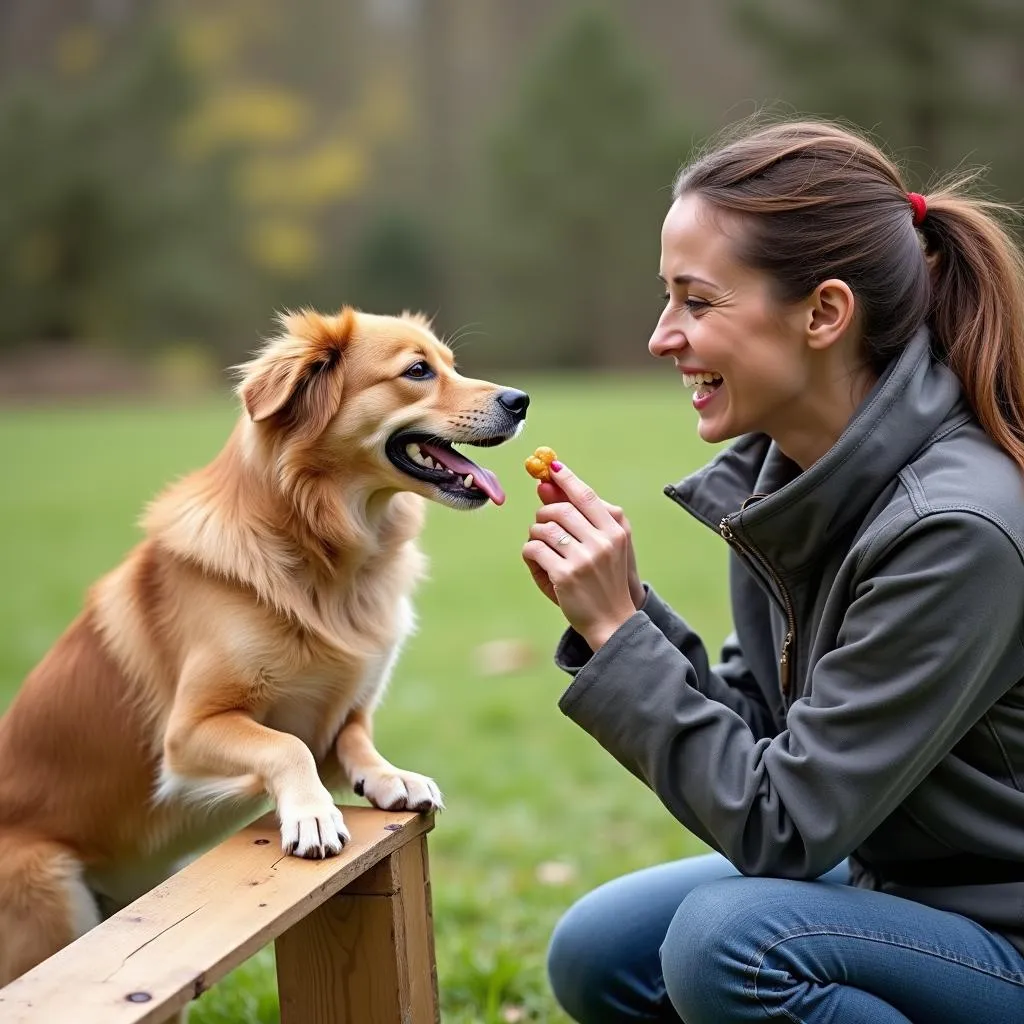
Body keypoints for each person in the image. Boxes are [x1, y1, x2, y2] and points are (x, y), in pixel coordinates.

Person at [521, 118, 1024, 1023]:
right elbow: (767, 734)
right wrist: (630, 612)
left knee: (731, 945)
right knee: (602, 950)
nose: (661, 337)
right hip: (899, 875)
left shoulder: (956, 528)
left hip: (1004, 935)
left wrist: (617, 637)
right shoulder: (794, 480)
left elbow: (784, 827)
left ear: (825, 314)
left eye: (697, 302)